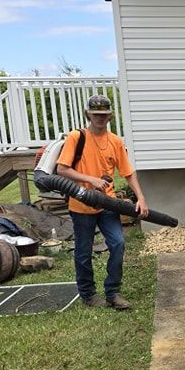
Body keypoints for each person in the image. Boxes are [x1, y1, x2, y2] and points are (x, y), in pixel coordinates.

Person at [57, 95, 149, 310]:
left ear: (110, 116)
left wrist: (141, 198)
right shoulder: (76, 137)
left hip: (107, 205)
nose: (100, 118)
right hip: (81, 206)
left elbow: (128, 173)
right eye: (95, 114)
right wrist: (90, 179)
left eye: (104, 114)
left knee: (118, 243)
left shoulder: (115, 141)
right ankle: (88, 294)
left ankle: (113, 292)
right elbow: (62, 169)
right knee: (83, 251)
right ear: (88, 114)